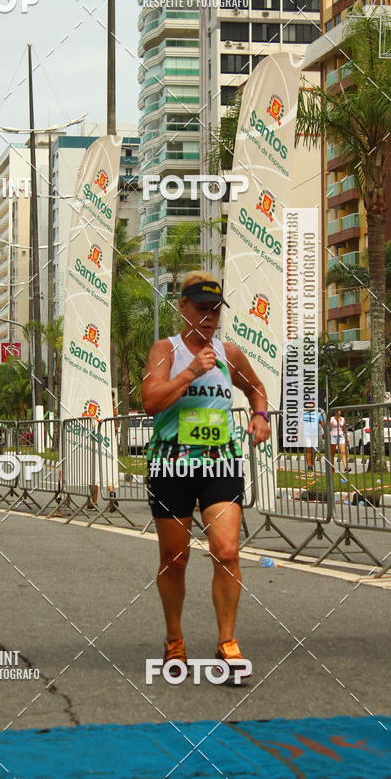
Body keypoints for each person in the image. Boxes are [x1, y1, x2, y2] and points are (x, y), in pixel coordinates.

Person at [141, 271, 270, 681]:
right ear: (183, 308)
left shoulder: (230, 354)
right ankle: (174, 639)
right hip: (172, 464)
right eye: (201, 309)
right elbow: (150, 401)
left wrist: (261, 415)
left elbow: (256, 388)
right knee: (174, 558)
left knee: (227, 551)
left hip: (220, 463)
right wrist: (190, 373)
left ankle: (227, 643)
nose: (209, 317)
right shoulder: (166, 349)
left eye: (215, 310)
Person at [303, 401, 323, 471]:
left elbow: (322, 424)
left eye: (311, 405)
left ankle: (312, 464)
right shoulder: (303, 415)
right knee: (308, 449)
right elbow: (300, 425)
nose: (310, 406)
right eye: (308, 405)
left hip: (315, 435)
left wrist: (326, 432)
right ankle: (309, 466)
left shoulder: (318, 414)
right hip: (306, 434)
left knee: (314, 451)